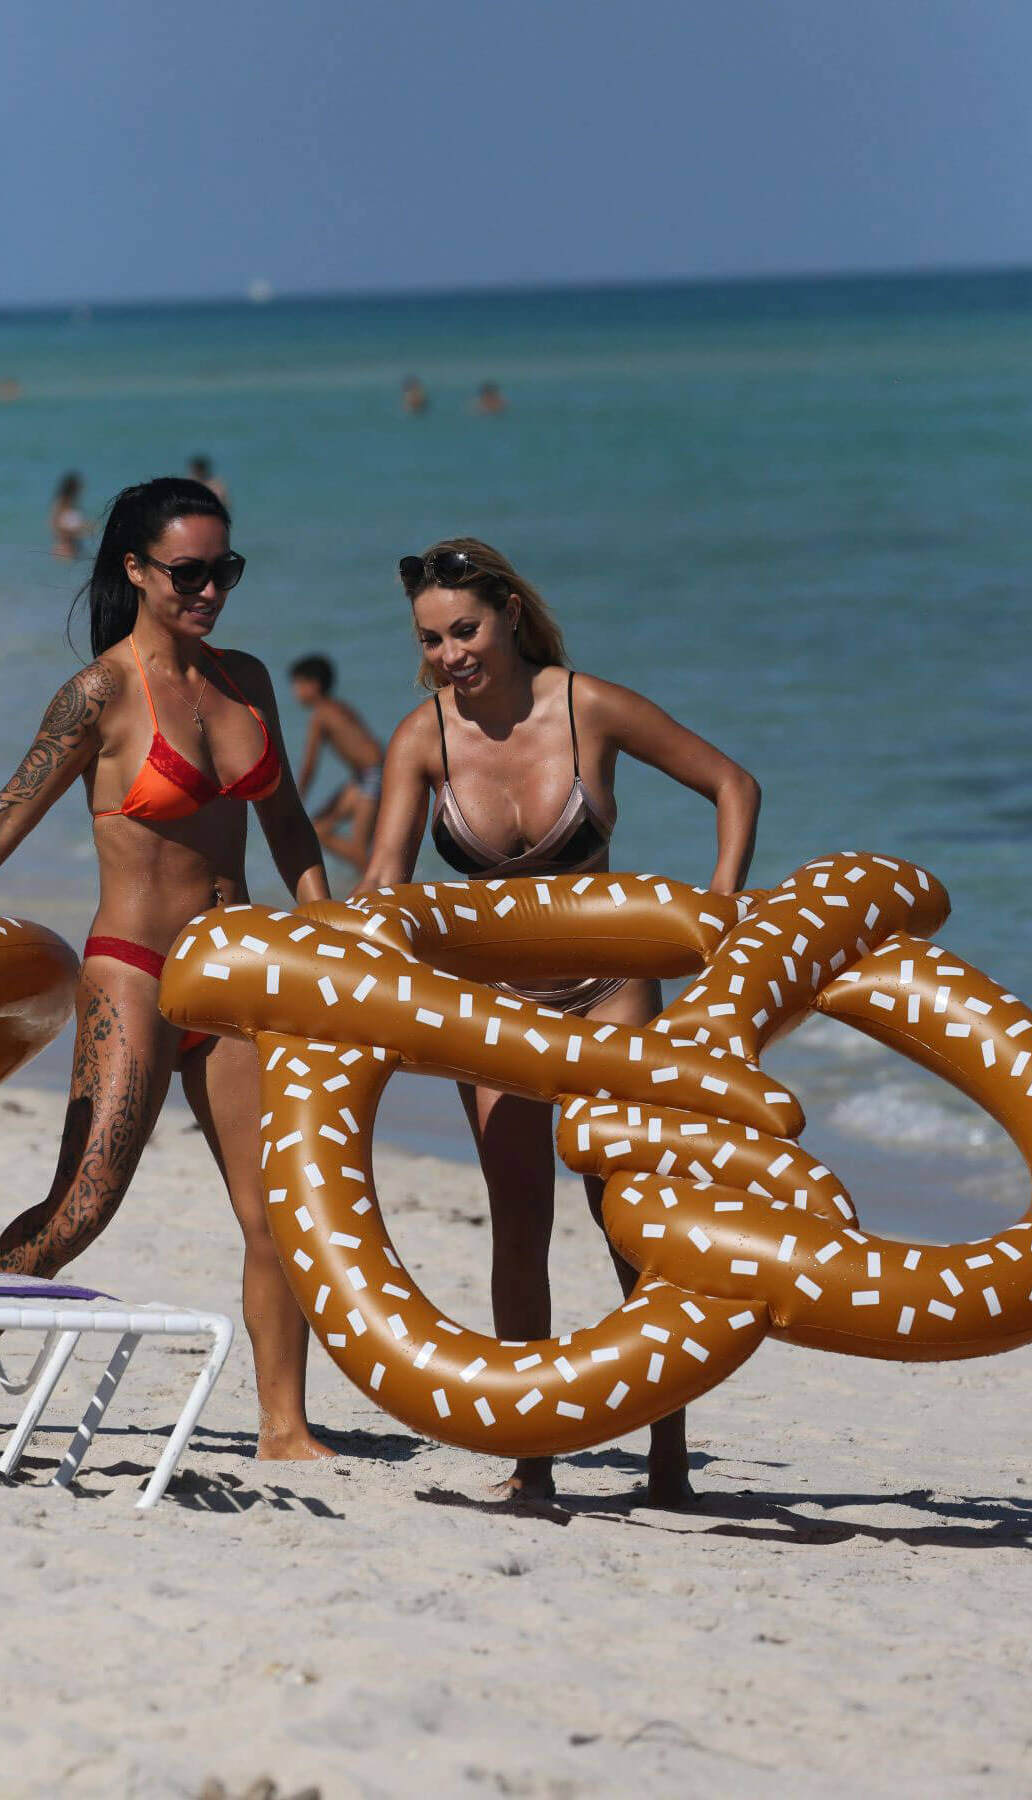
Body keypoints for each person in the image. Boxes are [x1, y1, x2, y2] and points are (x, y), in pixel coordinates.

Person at [0, 477, 334, 1461]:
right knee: (82, 1205)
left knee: (274, 1209)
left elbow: (287, 825)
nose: (210, 590)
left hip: (235, 975)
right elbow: (9, 810)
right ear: (136, 571)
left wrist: (334, 941)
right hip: (135, 975)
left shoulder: (248, 680)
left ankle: (284, 1425)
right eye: (188, 572)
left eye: (224, 570)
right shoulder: (98, 694)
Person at [357, 539, 761, 1505]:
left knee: (633, 1223)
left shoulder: (589, 706)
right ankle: (532, 1458)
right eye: (431, 640)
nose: (452, 653)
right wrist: (337, 956)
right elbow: (383, 882)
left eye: (466, 630)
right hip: (493, 1013)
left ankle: (667, 1452)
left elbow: (734, 787)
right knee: (519, 1223)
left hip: (614, 991)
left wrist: (719, 917)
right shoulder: (423, 738)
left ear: (508, 613)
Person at [290, 655, 385, 874]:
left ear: (312, 685)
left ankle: (379, 884)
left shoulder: (321, 715)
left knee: (359, 849)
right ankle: (373, 879)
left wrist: (296, 802)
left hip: (374, 775)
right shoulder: (338, 707)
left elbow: (309, 766)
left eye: (297, 684)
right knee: (319, 829)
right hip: (364, 776)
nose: (295, 692)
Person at [50, 471, 93, 561]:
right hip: (64, 548)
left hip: (76, 546)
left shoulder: (73, 503)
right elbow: (55, 525)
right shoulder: (60, 503)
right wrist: (79, 531)